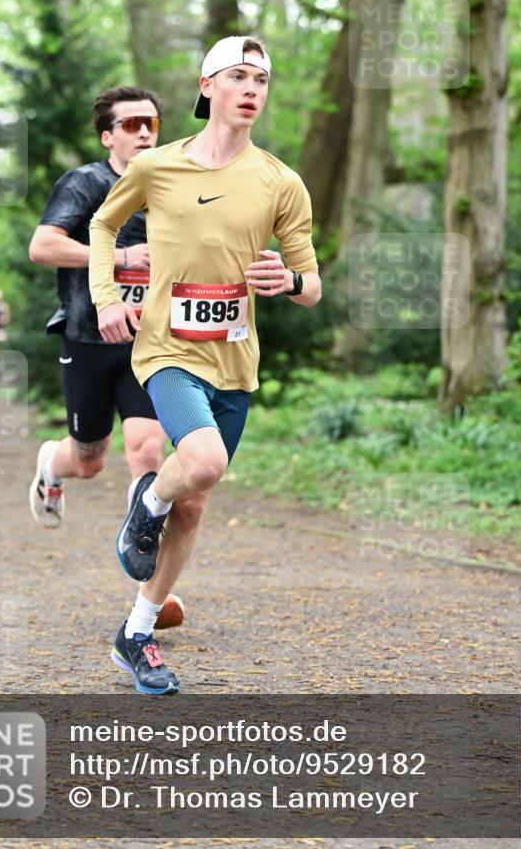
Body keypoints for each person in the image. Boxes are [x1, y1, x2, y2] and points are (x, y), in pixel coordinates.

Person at [89, 36, 322, 694]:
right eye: (239, 76)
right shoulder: (157, 167)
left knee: (193, 506)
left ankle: (134, 635)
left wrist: (291, 280)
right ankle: (145, 505)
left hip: (235, 360)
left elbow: (311, 283)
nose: (252, 89)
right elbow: (104, 227)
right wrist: (108, 298)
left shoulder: (280, 181)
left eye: (261, 80)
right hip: (166, 348)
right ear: (207, 85)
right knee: (203, 462)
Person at [28, 85, 195, 633]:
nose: (144, 132)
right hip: (88, 338)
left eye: (151, 122)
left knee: (148, 451)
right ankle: (53, 465)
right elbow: (43, 246)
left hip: (148, 345)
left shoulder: (172, 185)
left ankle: (146, 592)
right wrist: (120, 256)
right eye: (130, 125)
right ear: (108, 136)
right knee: (90, 460)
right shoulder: (86, 184)